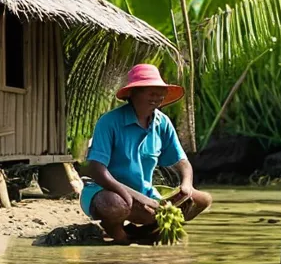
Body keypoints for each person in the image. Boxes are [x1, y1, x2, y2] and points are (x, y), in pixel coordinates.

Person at [80, 64, 212, 244]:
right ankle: (117, 232)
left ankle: (144, 234)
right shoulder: (109, 122)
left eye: (160, 93)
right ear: (134, 94)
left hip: (147, 194)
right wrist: (134, 196)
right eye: (151, 93)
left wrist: (186, 185)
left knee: (202, 199)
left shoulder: (162, 122)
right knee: (116, 205)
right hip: (107, 192)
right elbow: (96, 169)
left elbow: (182, 161)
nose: (157, 98)